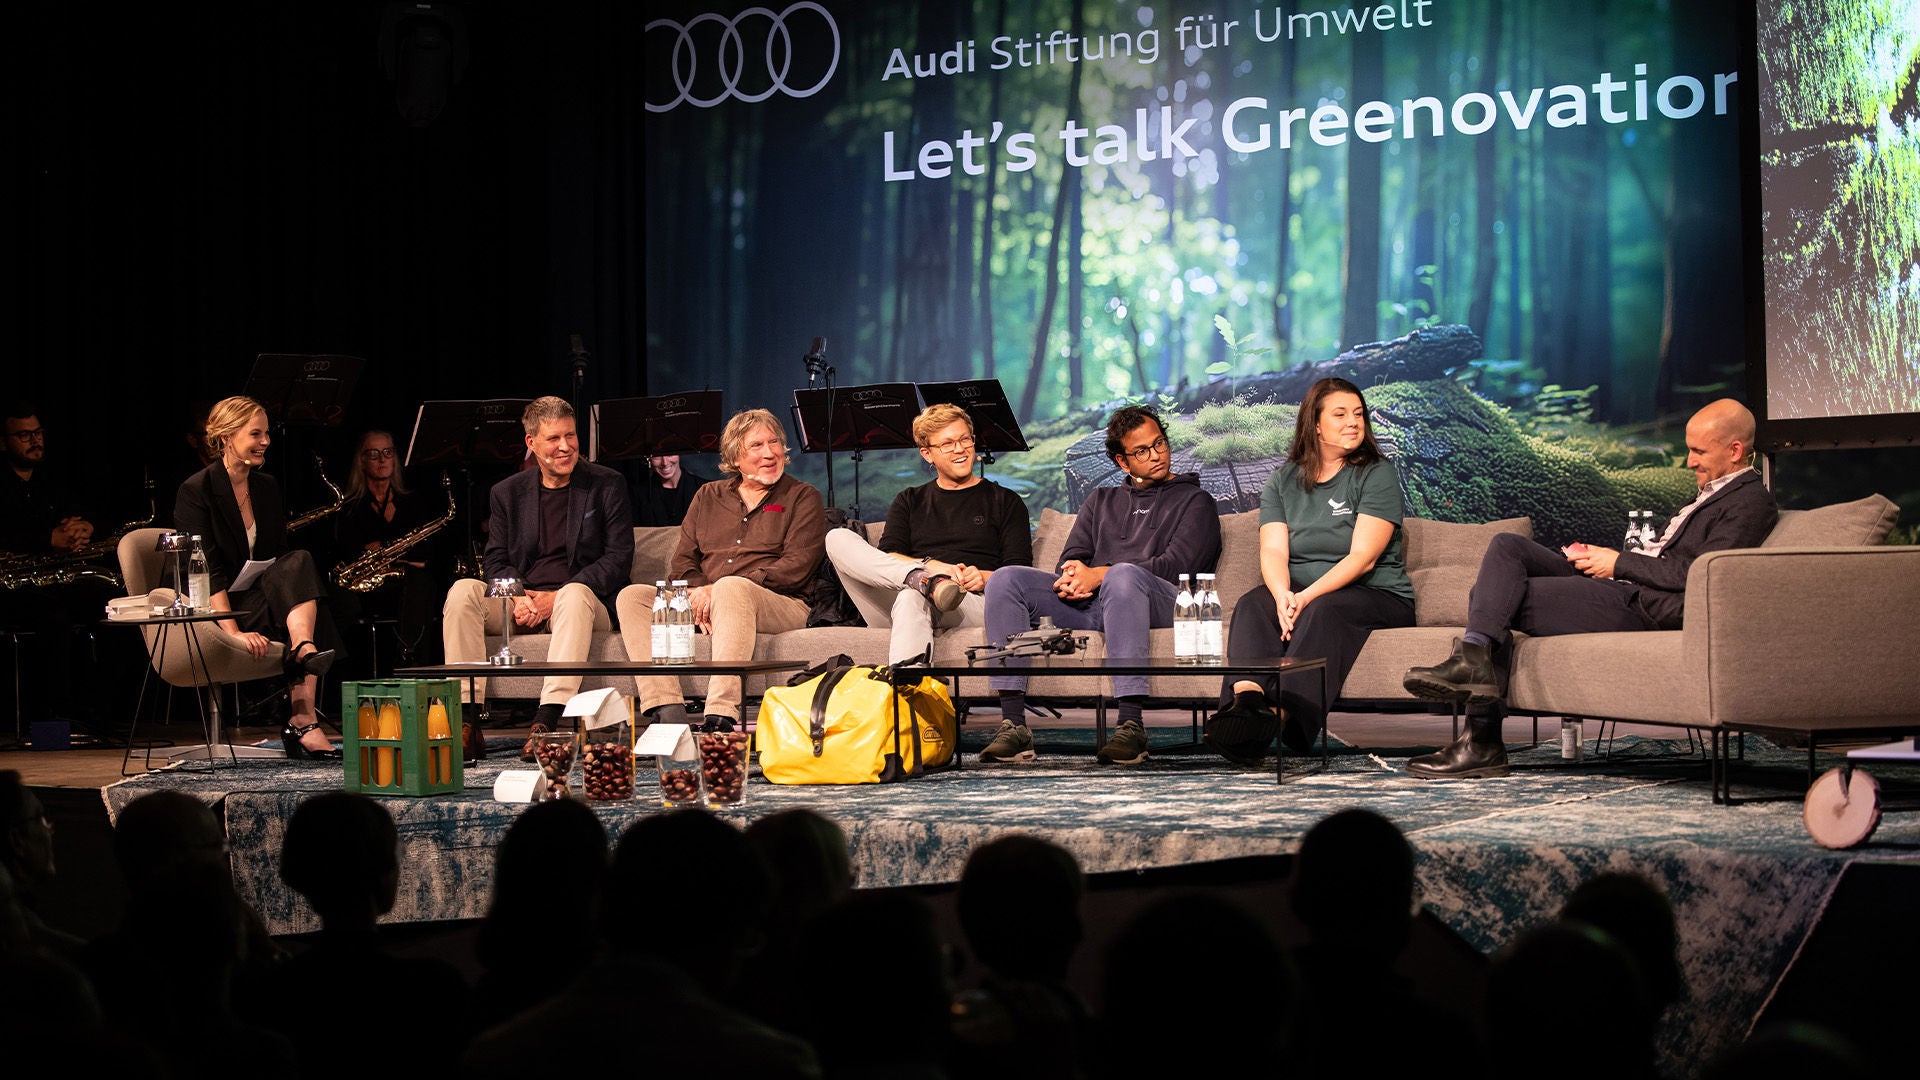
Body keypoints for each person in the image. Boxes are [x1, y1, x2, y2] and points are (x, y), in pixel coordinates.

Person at [1401, 398, 1778, 779]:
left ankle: (1480, 737)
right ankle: (1474, 668)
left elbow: (1704, 572)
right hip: (1623, 585)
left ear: (1735, 450)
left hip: (1641, 605)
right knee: (1507, 547)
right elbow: (1666, 556)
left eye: (1699, 451)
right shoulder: (1710, 491)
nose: (1689, 461)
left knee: (1495, 600)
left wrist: (1619, 563)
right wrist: (1601, 560)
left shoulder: (1749, 501)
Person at [978, 405, 1220, 766]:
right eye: (1142, 451)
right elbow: (1071, 557)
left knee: (1123, 576)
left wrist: (1101, 574)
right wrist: (1072, 579)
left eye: (1159, 443)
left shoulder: (1196, 501)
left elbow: (1177, 567)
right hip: (1095, 604)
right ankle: (1013, 725)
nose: (1156, 455)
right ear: (1122, 461)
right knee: (1005, 579)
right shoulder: (1101, 500)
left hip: (1162, 600)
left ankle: (1131, 726)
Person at [1205, 378, 1416, 762]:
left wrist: (1304, 598)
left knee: (1323, 609)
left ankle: (1282, 716)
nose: (1353, 422)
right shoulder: (1283, 480)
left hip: (1376, 593)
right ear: (1315, 425)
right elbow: (1273, 549)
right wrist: (1282, 595)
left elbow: (1363, 558)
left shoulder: (1376, 473)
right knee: (1253, 604)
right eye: (1341, 414)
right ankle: (1247, 704)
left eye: (1358, 414)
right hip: (1301, 591)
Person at [442, 396, 634, 747]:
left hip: (582, 604)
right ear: (531, 442)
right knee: (463, 591)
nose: (565, 446)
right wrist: (517, 597)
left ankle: (547, 720)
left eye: (570, 435)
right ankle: (467, 721)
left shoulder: (606, 484)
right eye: (554, 438)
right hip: (523, 601)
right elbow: (495, 559)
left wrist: (555, 598)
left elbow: (618, 559)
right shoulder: (507, 493)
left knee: (573, 594)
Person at [616, 408, 825, 731]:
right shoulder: (708, 496)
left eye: (774, 443)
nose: (770, 453)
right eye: (757, 445)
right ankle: (666, 709)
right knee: (633, 597)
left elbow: (796, 568)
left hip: (781, 602)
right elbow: (682, 562)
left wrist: (719, 590)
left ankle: (720, 715)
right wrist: (702, 595)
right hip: (711, 598)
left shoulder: (803, 497)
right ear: (735, 457)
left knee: (731, 587)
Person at [174, 396, 344, 759]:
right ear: (226, 437)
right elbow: (204, 569)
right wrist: (233, 631)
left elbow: (279, 557)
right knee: (310, 604)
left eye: (266, 433)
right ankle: (303, 718)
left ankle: (303, 647)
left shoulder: (266, 486)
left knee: (300, 562)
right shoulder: (196, 490)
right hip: (215, 606)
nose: (265, 441)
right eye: (255, 434)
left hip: (258, 596)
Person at [825, 403, 1032, 664]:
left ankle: (909, 689)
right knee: (837, 537)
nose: (960, 449)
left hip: (969, 601)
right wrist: (933, 569)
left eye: (965, 439)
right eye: (947, 444)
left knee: (912, 596)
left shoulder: (1005, 501)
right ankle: (924, 581)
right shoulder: (909, 500)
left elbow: (1022, 575)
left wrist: (983, 577)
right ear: (927, 454)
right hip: (899, 602)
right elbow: (888, 558)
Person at [331, 429, 446, 669]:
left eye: (387, 452)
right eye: (374, 454)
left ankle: (410, 661)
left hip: (405, 585)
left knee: (421, 580)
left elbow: (427, 555)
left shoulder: (412, 502)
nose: (382, 460)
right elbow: (350, 552)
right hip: (366, 589)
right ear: (362, 461)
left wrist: (383, 548)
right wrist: (401, 555)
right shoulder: (350, 508)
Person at [630, 452, 710, 527]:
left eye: (669, 454)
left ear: (679, 453)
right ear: (649, 459)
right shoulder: (637, 494)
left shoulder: (705, 489)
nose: (665, 463)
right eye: (657, 456)